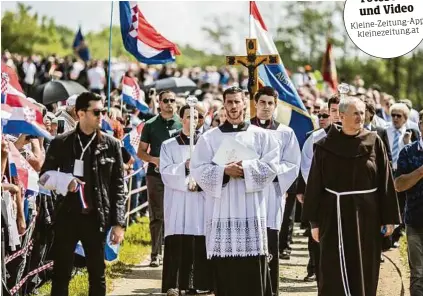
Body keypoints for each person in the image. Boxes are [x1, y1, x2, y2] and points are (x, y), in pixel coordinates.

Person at [302, 96, 400, 296]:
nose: (360, 117)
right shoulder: (323, 145)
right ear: (341, 115)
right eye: (355, 113)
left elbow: (385, 180)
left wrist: (389, 218)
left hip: (367, 217)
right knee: (332, 269)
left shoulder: (374, 141)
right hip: (333, 215)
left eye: (362, 113)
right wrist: (314, 222)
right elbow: (315, 185)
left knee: (364, 266)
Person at [190, 87, 280, 296]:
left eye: (237, 102)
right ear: (224, 104)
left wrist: (246, 168)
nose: (233, 106)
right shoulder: (210, 138)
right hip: (222, 211)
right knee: (226, 270)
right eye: (229, 102)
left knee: (252, 269)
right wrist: (223, 171)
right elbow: (198, 169)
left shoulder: (261, 136)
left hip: (251, 209)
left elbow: (272, 166)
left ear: (244, 103)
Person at [41, 92, 125, 296]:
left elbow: (118, 186)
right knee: (61, 273)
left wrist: (119, 223)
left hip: (96, 218)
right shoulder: (61, 142)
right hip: (67, 216)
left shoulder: (111, 144)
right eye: (96, 112)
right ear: (80, 113)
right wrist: (64, 181)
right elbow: (43, 177)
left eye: (103, 111)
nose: (101, 116)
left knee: (97, 274)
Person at [250, 86, 300, 296]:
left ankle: (271, 290)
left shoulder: (285, 133)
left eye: (271, 103)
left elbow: (292, 164)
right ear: (255, 103)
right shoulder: (244, 130)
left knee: (270, 241)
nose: (266, 107)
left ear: (275, 105)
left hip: (271, 193)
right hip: (248, 194)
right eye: (262, 102)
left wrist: (270, 173)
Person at [160, 105, 212, 295]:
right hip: (178, 201)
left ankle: (199, 283)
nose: (193, 120)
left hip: (200, 200)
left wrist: (199, 181)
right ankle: (174, 284)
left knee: (199, 239)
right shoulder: (169, 145)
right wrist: (185, 166)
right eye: (189, 116)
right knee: (178, 239)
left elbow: (212, 170)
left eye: (197, 117)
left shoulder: (206, 145)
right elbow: (165, 173)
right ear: (181, 119)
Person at [137, 90, 182, 267]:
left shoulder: (183, 122)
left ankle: (173, 252)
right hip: (155, 175)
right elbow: (140, 151)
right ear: (159, 103)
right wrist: (153, 159)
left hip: (177, 175)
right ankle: (155, 253)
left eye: (172, 100)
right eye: (166, 100)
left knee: (176, 214)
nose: (169, 103)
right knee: (157, 215)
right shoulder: (150, 125)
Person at [379, 103, 419, 247]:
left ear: (405, 118)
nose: (395, 118)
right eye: (393, 115)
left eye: (399, 116)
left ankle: (396, 234)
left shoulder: (411, 131)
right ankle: (385, 237)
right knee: (388, 201)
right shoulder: (384, 131)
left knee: (402, 204)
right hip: (388, 172)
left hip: (404, 173)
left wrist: (407, 142)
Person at [395, 110, 423, 296]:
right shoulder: (408, 152)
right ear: (420, 125)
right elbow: (398, 185)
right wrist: (420, 171)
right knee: (418, 274)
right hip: (416, 221)